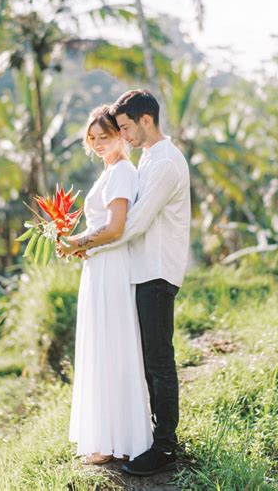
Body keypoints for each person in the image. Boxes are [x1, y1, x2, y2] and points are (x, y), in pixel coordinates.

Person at [63, 89, 191, 477]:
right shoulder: (151, 159)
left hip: (156, 270)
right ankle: (150, 437)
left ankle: (165, 447)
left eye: (124, 127)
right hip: (140, 269)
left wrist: (85, 244)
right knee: (148, 358)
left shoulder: (166, 162)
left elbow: (133, 224)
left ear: (146, 121)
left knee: (158, 360)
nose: (124, 136)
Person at [57, 104, 152, 465]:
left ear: (119, 136)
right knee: (102, 345)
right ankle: (106, 437)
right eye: (92, 138)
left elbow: (115, 227)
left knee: (112, 346)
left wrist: (77, 243)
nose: (98, 143)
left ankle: (116, 440)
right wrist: (77, 243)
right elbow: (103, 229)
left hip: (112, 267)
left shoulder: (122, 172)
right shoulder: (110, 171)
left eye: (105, 136)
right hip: (99, 266)